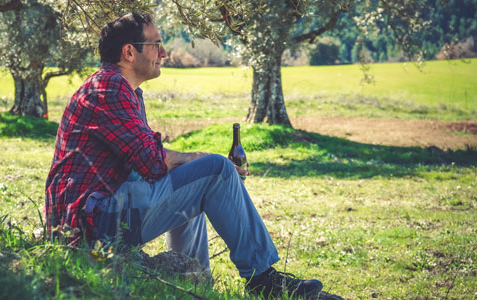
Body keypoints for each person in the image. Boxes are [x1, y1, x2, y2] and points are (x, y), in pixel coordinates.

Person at [45, 12, 327, 300]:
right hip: (91, 226)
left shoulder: (119, 88)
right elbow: (152, 162)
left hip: (91, 219)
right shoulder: (110, 87)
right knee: (215, 170)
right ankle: (263, 278)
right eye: (156, 44)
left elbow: (145, 165)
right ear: (129, 52)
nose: (164, 53)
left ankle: (194, 281)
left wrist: (194, 168)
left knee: (194, 181)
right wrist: (206, 164)